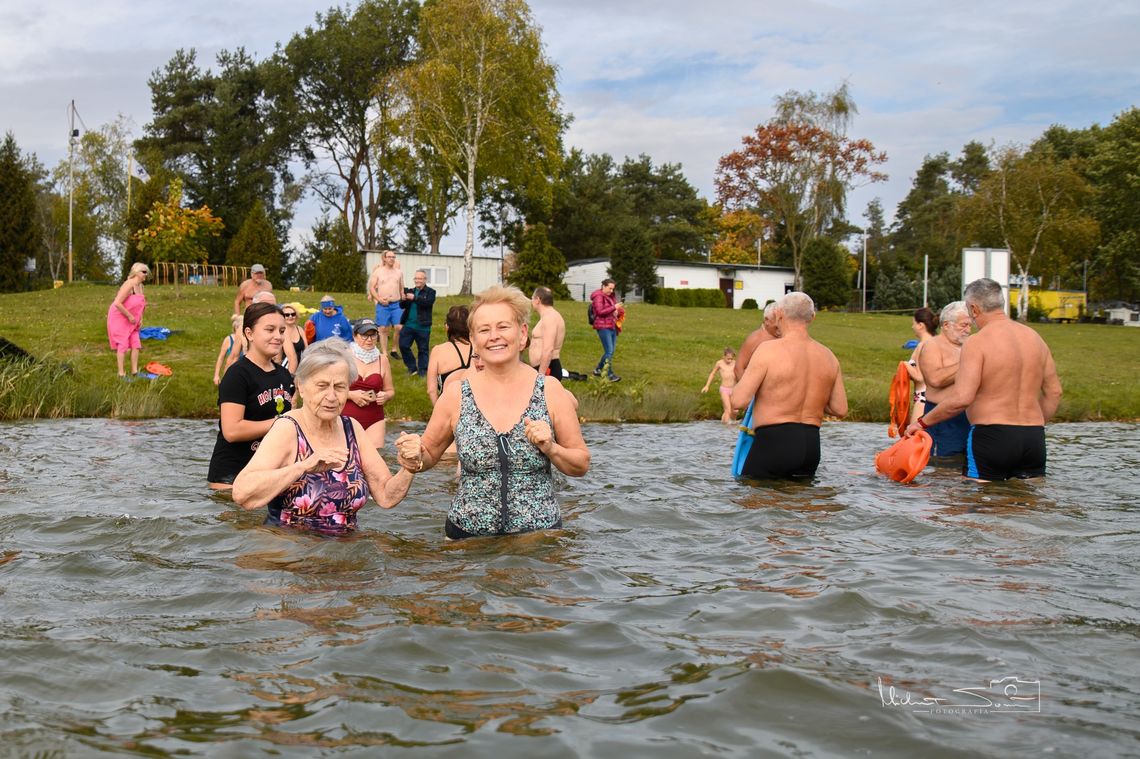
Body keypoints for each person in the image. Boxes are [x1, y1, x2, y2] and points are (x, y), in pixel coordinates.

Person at [396, 285, 590, 539]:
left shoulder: (550, 391)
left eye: (503, 327)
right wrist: (412, 455)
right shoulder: (455, 394)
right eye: (484, 330)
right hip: (467, 543)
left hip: (537, 545)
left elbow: (581, 463)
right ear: (474, 340)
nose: (494, 336)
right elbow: (429, 453)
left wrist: (551, 448)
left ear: (522, 334)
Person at [232, 339, 421, 532]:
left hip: (344, 551)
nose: (331, 396)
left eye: (339, 387)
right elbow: (242, 493)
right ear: (301, 387)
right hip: (290, 549)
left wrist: (408, 468)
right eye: (322, 386)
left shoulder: (352, 428)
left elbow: (386, 497)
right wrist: (304, 466)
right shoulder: (287, 428)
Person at [906, 278, 1063, 481]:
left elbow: (962, 398)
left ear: (974, 308)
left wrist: (921, 423)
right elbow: (1054, 392)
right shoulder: (1035, 338)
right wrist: (1031, 425)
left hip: (991, 434)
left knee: (977, 504)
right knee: (1027, 505)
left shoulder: (978, 342)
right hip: (1033, 437)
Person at [730, 292, 847, 480]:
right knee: (799, 504)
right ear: (813, 317)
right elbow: (840, 409)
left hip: (774, 442)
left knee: (753, 503)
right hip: (810, 447)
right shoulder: (829, 356)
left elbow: (738, 400)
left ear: (779, 314)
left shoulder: (768, 350)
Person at [207, 302, 296, 489]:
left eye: (281, 331)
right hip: (232, 476)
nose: (277, 337)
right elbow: (231, 431)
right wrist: (282, 422)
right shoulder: (237, 374)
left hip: (270, 472)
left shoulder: (284, 374)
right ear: (249, 334)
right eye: (269, 330)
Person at [916, 301, 972, 457]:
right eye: (963, 325)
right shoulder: (932, 345)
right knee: (942, 467)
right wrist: (969, 363)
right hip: (940, 417)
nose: (968, 330)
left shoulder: (969, 346)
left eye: (969, 325)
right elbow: (935, 379)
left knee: (966, 467)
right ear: (946, 325)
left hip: (968, 416)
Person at [340, 318, 395, 450]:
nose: (369, 339)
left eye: (373, 335)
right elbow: (331, 388)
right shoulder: (344, 357)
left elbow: (390, 390)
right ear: (355, 336)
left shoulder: (383, 360)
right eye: (365, 335)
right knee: (345, 457)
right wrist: (352, 395)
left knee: (376, 458)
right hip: (346, 416)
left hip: (374, 419)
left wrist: (386, 396)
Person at [106, 262, 149, 378]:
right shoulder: (129, 285)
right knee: (123, 343)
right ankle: (121, 374)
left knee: (136, 343)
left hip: (133, 319)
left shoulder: (140, 286)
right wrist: (130, 316)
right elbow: (117, 303)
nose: (146, 274)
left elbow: (141, 305)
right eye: (144, 272)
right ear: (136, 272)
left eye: (146, 272)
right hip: (119, 316)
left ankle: (135, 372)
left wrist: (141, 319)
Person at [426, 305, 473, 405]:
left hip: (448, 408)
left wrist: (438, 411)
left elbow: (431, 389)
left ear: (447, 327)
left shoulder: (438, 351)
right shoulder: (479, 349)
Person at [902, 307, 938, 425]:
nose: (912, 327)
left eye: (914, 323)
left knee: (913, 438)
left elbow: (919, 377)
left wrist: (904, 365)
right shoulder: (938, 343)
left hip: (922, 398)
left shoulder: (922, 346)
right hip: (935, 398)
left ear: (921, 325)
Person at [398, 269, 436, 377]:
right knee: (403, 345)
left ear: (425, 280)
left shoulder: (431, 292)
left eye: (420, 278)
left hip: (423, 326)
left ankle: (423, 371)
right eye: (416, 278)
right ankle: (412, 368)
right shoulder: (410, 291)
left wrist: (414, 298)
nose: (417, 280)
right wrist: (403, 299)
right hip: (408, 325)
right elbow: (402, 306)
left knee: (423, 349)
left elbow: (427, 303)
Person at [367, 249, 404, 358]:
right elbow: (372, 287)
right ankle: (384, 353)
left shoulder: (399, 272)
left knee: (399, 327)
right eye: (389, 257)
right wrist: (378, 299)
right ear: (384, 258)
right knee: (382, 329)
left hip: (396, 304)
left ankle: (394, 349)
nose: (392, 259)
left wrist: (403, 297)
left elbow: (401, 288)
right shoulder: (378, 271)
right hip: (383, 304)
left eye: (393, 257)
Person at [733, 301, 782, 381]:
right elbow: (738, 368)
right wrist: (748, 391)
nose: (779, 325)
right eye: (776, 320)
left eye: (781, 320)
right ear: (766, 320)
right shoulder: (756, 338)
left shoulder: (784, 336)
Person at [590, 278, 624, 382]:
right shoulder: (598, 296)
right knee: (609, 351)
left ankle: (598, 369)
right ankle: (609, 374)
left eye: (613, 289)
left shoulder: (609, 296)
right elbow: (600, 311)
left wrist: (617, 311)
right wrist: (614, 307)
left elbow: (611, 310)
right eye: (610, 288)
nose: (611, 291)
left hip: (611, 325)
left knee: (610, 351)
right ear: (603, 286)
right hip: (603, 326)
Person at [529, 286, 566, 378]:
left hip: (547, 370)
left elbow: (548, 349)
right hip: (543, 369)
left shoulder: (550, 318)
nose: (531, 301)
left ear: (537, 299)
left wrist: (540, 376)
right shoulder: (547, 316)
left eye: (532, 298)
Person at [701, 347, 738, 424]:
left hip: (734, 389)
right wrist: (707, 386)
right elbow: (712, 374)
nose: (730, 360)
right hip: (724, 389)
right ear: (723, 356)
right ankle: (726, 427)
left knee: (735, 411)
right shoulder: (719, 363)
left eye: (731, 359)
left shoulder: (735, 363)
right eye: (728, 359)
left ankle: (730, 423)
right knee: (728, 410)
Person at [213, 314, 245, 386]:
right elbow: (221, 358)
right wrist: (216, 375)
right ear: (236, 327)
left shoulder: (245, 340)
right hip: (231, 372)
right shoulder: (228, 340)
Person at [281, 304, 308, 369]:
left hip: (301, 366)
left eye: (293, 314)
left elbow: (306, 348)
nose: (290, 316)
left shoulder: (300, 329)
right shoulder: (280, 331)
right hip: (285, 367)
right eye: (287, 315)